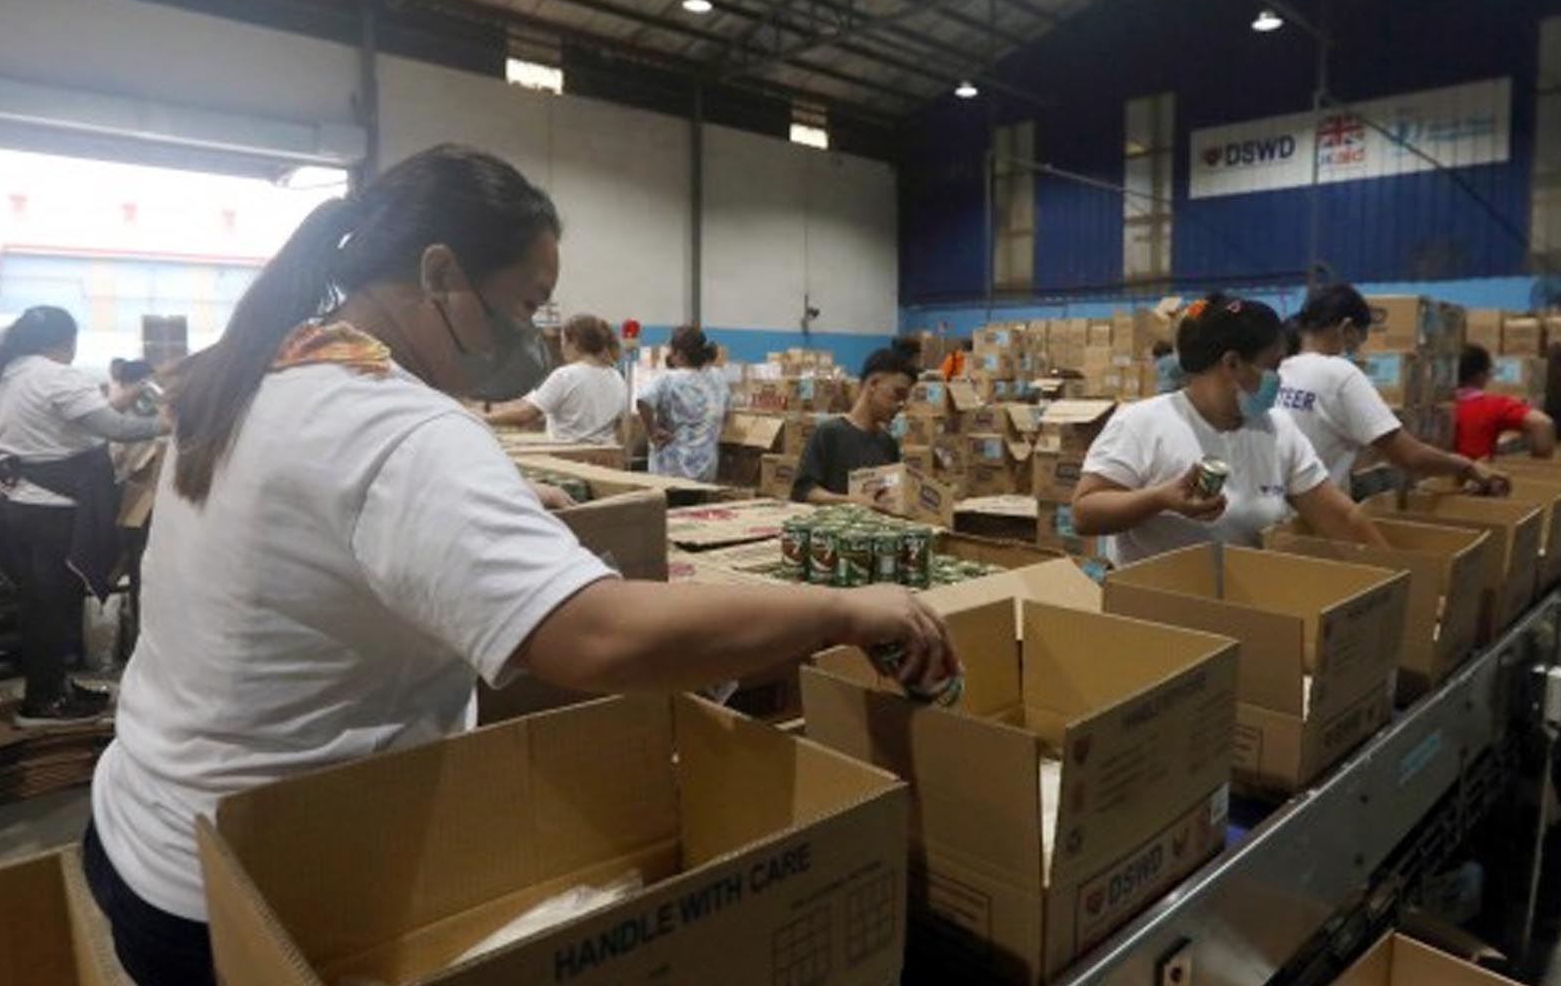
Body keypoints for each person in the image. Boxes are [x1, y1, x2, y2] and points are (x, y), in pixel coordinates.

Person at [83, 146, 956, 986]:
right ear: (439, 274)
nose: (531, 335)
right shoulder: (398, 429)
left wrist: (499, 503)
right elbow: (602, 641)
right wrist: (840, 611)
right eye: (525, 304)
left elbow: (323, 533)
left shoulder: (267, 373)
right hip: (250, 896)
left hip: (148, 831)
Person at [1070, 293, 1390, 565]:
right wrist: (1159, 499)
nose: (1279, 380)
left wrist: (1396, 575)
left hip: (1241, 605)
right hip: (1157, 607)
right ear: (1233, 363)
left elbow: (1340, 518)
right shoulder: (1142, 424)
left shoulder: (1278, 430)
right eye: (1272, 367)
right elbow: (1085, 513)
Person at [0, 307, 167, 725]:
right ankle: (46, 700)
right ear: (66, 341)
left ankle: (52, 686)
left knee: (38, 605)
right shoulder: (57, 376)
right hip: (52, 512)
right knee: (52, 606)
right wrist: (171, 421)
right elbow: (116, 429)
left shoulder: (7, 374)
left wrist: (120, 403)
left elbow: (65, 423)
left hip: (15, 506)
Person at [1279, 283, 1508, 495]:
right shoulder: (1340, 374)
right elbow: (1410, 456)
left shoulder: (1280, 369)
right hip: (1314, 515)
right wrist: (1466, 466)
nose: (1357, 352)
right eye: (1358, 342)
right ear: (1346, 328)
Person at [792, 346, 913, 503]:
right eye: (898, 394)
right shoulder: (829, 434)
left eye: (905, 399)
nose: (901, 404)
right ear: (873, 384)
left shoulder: (888, 444)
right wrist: (851, 501)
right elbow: (803, 491)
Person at [482, 314, 625, 445]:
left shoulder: (566, 376)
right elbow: (617, 422)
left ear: (574, 342)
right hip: (605, 454)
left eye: (563, 341)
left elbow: (526, 415)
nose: (561, 349)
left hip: (570, 455)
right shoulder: (617, 377)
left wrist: (482, 419)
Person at [636, 326, 729, 481]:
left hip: (672, 471)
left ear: (679, 354)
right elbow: (726, 415)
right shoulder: (718, 378)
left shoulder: (668, 380)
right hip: (706, 471)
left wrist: (652, 431)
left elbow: (643, 399)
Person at [1454, 344, 1556, 460]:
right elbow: (1543, 423)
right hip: (1475, 469)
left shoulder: (1439, 404)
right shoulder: (1493, 405)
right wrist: (1536, 465)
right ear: (1481, 375)